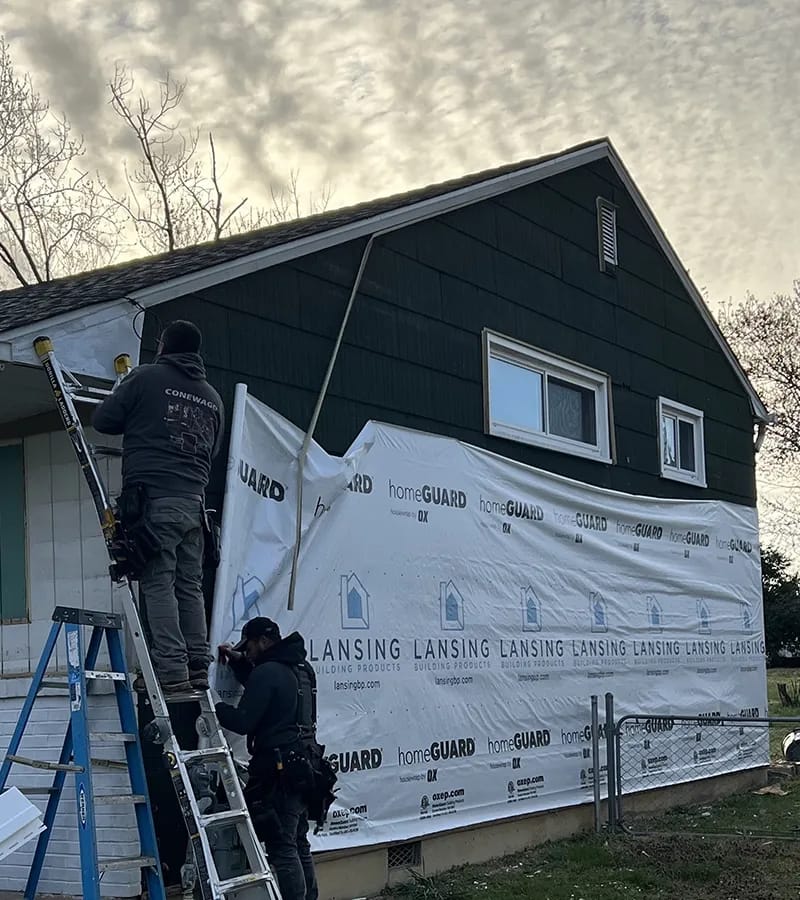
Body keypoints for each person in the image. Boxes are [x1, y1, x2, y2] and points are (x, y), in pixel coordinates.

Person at [92, 320, 224, 693]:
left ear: (164, 346)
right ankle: (198, 664)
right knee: (189, 585)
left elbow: (104, 420)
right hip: (195, 508)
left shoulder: (146, 378)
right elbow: (211, 451)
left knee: (157, 582)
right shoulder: (212, 398)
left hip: (155, 500)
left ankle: (170, 671)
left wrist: (129, 397)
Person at [216, 617, 319, 900]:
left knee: (282, 847)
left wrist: (214, 707)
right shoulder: (301, 669)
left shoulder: (269, 672)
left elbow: (244, 721)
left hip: (279, 773)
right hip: (306, 767)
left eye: (248, 646)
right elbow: (267, 689)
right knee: (298, 842)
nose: (247, 652)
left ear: (262, 641)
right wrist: (239, 661)